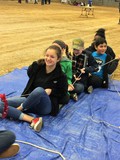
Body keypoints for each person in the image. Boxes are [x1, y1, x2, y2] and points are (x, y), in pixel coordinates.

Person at [0, 45, 69, 132]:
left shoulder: (61, 76)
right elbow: (30, 73)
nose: (48, 58)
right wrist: (36, 64)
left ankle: (18, 110)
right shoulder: (38, 67)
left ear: (58, 59)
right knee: (2, 103)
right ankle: (32, 119)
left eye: (52, 57)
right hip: (29, 100)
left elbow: (63, 93)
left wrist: (52, 91)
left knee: (39, 90)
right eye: (47, 55)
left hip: (45, 106)